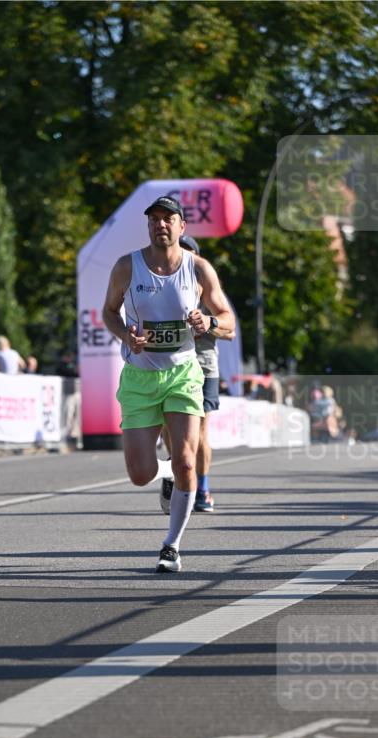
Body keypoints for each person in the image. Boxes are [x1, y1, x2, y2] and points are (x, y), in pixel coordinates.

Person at [102, 195, 234, 572]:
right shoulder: (127, 267)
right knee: (140, 474)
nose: (160, 224)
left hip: (183, 374)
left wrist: (208, 323)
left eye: (168, 219)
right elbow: (109, 313)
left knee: (187, 461)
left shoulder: (198, 269)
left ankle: (171, 546)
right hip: (140, 377)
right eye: (154, 219)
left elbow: (228, 320)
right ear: (148, 226)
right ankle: (166, 475)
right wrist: (126, 335)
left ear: (181, 227)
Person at [159, 234, 237, 514]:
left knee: (200, 431)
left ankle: (202, 487)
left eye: (190, 253)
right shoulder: (163, 286)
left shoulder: (208, 286)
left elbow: (231, 330)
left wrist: (207, 324)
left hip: (203, 364)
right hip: (171, 363)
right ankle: (175, 469)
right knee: (168, 427)